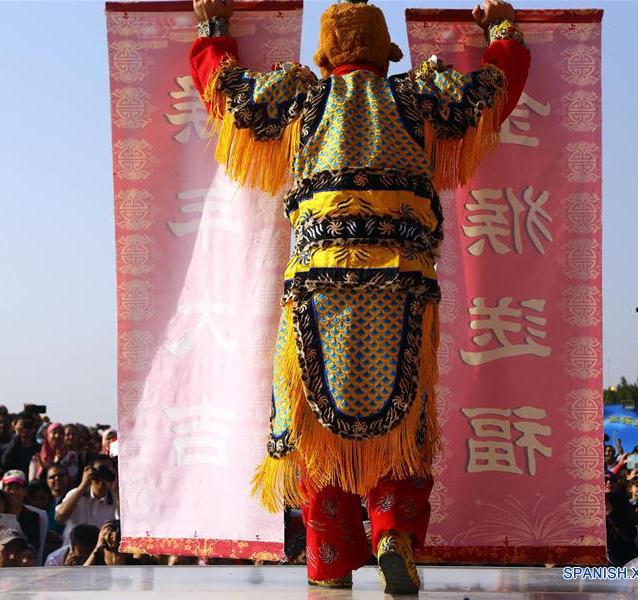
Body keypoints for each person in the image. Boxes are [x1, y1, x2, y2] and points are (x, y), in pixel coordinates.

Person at [190, 0, 528, 591]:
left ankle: (330, 562)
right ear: (386, 52)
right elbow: (493, 89)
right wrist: (500, 28)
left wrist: (214, 25)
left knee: (317, 427)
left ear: (324, 58)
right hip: (403, 287)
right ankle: (394, 530)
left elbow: (226, 92)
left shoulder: (301, 98)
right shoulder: (420, 96)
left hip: (317, 286)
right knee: (403, 421)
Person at [55, 456, 120, 545]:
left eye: (107, 470)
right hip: (73, 550)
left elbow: (125, 524)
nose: (102, 475)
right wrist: (82, 486)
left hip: (99, 552)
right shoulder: (77, 494)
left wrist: (116, 488)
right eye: (100, 470)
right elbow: (60, 518)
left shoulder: (116, 498)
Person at [0, 470, 47, 565]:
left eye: (17, 488)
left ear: (24, 491)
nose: (12, 492)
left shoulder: (33, 516)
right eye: (9, 488)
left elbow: (34, 547)